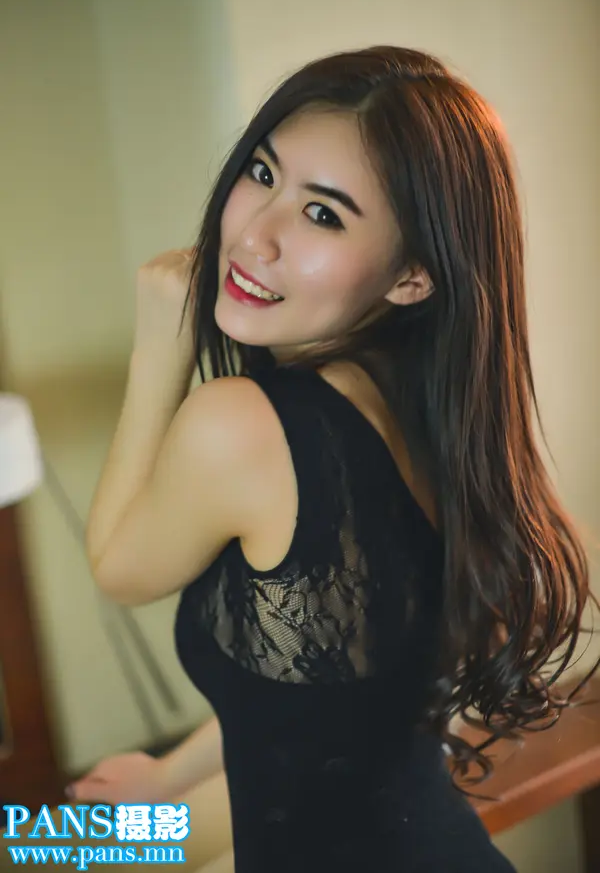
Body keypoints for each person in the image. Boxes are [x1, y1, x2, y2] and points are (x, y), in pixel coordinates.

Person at [82, 46, 597, 872]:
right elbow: (327, 693)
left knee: (45, 849)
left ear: (414, 275)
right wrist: (168, 775)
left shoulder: (243, 425)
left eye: (323, 214)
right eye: (262, 173)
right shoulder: (427, 411)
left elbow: (117, 567)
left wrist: (158, 352)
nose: (255, 234)